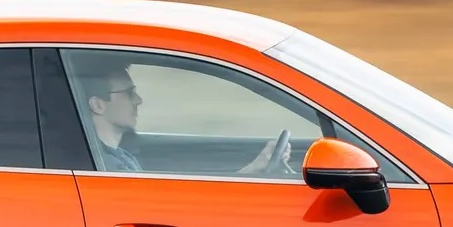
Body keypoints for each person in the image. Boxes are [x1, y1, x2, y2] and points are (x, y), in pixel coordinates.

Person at [76, 64, 292, 176]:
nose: (139, 100)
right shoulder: (111, 168)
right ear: (98, 105)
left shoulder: (114, 157)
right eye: (129, 93)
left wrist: (255, 169)